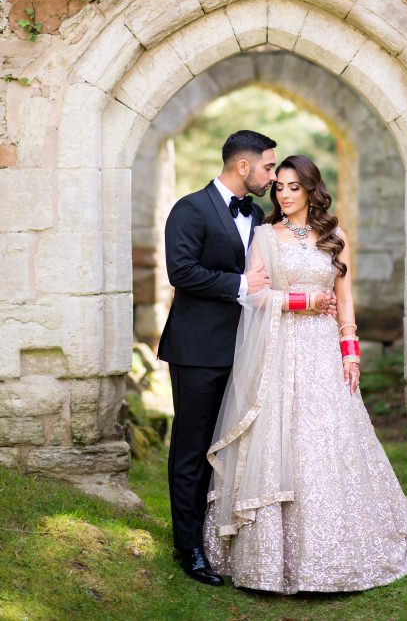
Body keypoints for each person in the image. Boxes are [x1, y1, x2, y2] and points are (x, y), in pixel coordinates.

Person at [203, 153, 407, 593]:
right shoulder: (266, 237)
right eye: (279, 187)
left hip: (324, 350)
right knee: (281, 438)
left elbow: (344, 299)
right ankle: (271, 558)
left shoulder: (334, 236)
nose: (285, 195)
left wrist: (351, 352)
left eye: (294, 187)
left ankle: (337, 549)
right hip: (280, 349)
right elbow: (254, 296)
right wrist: (299, 302)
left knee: (326, 436)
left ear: (311, 189)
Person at [158, 129, 281, 586]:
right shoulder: (189, 209)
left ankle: (219, 538)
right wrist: (242, 286)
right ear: (243, 166)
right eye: (268, 167)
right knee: (192, 448)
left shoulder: (258, 215)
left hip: (248, 350)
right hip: (198, 350)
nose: (273, 175)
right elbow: (182, 270)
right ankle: (188, 548)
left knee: (232, 447)